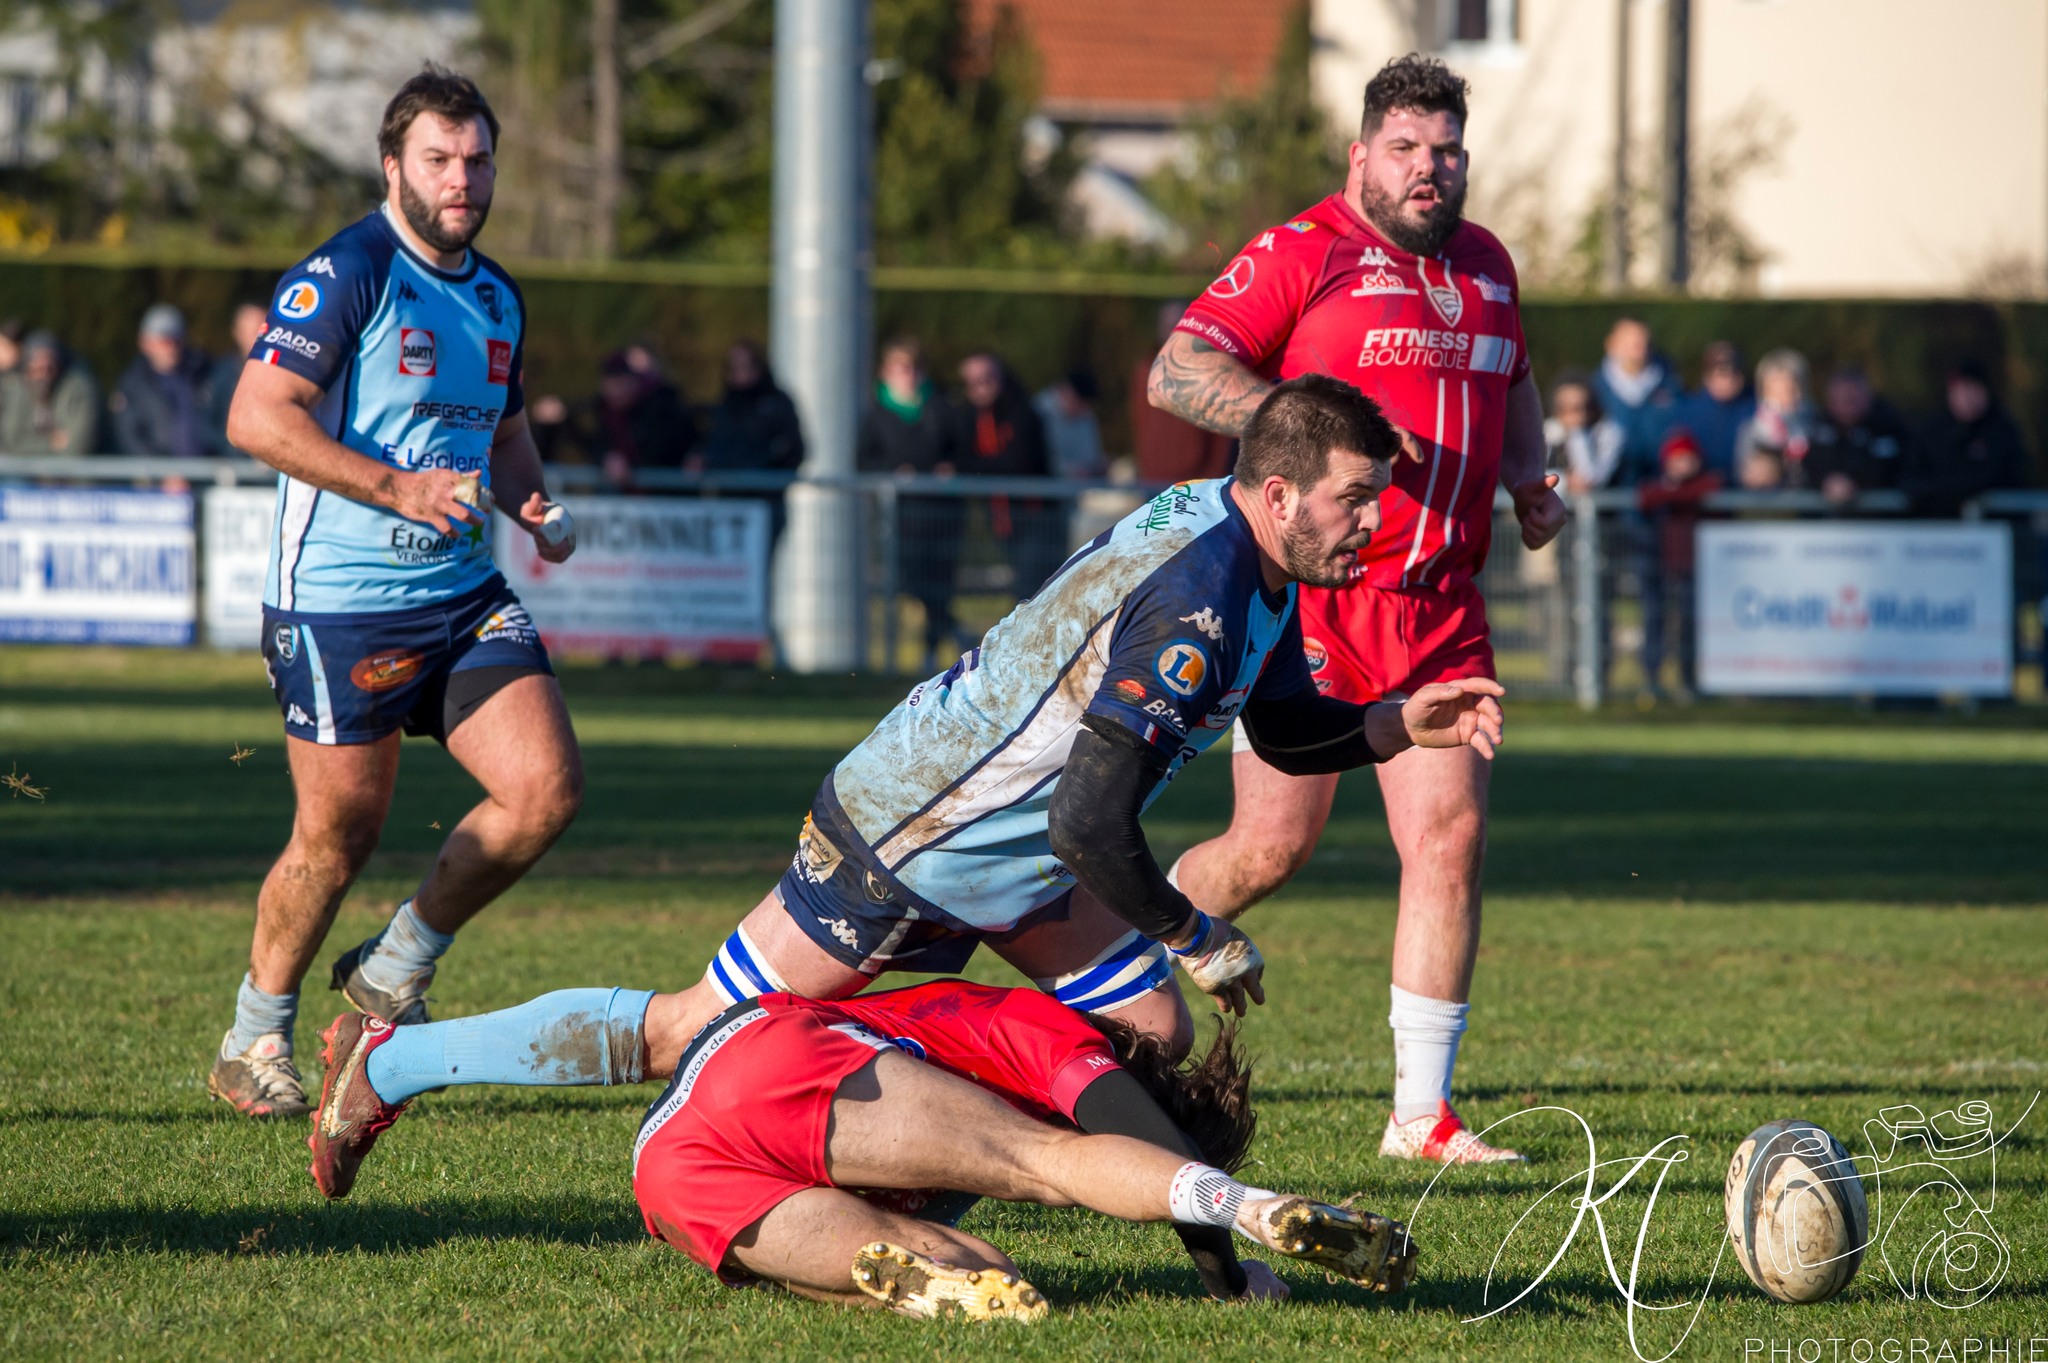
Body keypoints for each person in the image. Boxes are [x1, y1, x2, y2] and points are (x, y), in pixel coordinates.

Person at [283, 378, 1507, 1185]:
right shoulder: (1197, 595)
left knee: (1146, 1032)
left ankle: (1055, 1179)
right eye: (1357, 501)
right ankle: (384, 1061)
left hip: (1010, 853)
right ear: (1281, 491)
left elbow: (1285, 726)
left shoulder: (1254, 553)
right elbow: (1091, 821)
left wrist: (1395, 722)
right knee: (686, 1033)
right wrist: (1194, 927)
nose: (1371, 526)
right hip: (908, 832)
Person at [1143, 54, 1563, 1164]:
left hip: (1440, 610)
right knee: (1269, 850)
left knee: (1449, 838)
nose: (1430, 171)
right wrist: (1299, 421)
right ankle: (1129, 922)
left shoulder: (1486, 264)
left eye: (1446, 152)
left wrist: (1527, 479)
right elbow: (1179, 369)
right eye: (1407, 150)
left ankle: (1418, 1116)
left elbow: (1509, 376)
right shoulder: (1307, 250)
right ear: (1360, 156)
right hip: (1322, 605)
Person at [207, 63, 582, 1119]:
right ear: (393, 167)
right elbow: (257, 416)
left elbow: (502, 434)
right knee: (337, 838)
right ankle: (253, 1037)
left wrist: (537, 509)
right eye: (438, 159)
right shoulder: (347, 271)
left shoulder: (499, 293)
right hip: (341, 604)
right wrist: (394, 487)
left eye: (476, 159)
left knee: (544, 790)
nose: (460, 178)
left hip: (462, 591)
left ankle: (394, 966)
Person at [309, 978, 1418, 1314]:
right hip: (779, 1057)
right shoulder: (1060, 1040)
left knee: (986, 1276)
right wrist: (1231, 1249)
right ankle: (1250, 1200)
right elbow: (1109, 1136)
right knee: (1047, 1164)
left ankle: (924, 1285)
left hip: (673, 1165)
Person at [859, 338, 966, 669]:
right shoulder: (876, 415)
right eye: (901, 368)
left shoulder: (941, 408)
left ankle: (932, 649)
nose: (909, 375)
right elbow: (865, 460)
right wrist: (893, 474)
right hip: (901, 515)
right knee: (911, 580)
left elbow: (960, 450)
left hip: (941, 513)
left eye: (914, 367)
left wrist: (950, 468)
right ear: (886, 372)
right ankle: (957, 632)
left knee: (940, 582)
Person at [957, 351, 1064, 597]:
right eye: (972, 383)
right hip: (1001, 516)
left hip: (1034, 514)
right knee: (1023, 583)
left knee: (1033, 586)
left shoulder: (1022, 413)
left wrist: (980, 467)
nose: (981, 388)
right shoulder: (970, 417)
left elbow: (1018, 462)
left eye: (987, 379)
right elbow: (963, 458)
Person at [1635, 429, 1722, 699]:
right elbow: (1645, 497)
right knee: (1655, 622)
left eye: (1688, 458)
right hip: (1660, 567)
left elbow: (1709, 488)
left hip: (1695, 569)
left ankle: (1689, 681)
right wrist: (1674, 492)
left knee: (1690, 627)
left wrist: (1673, 491)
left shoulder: (1705, 483)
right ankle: (1652, 679)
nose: (1682, 465)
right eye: (1677, 459)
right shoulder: (1658, 486)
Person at [695, 338, 804, 539]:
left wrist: (763, 473)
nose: (737, 372)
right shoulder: (726, 404)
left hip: (765, 505)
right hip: (727, 505)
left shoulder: (777, 403)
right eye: (731, 367)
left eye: (744, 365)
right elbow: (712, 443)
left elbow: (795, 450)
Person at [1903, 359, 2032, 517]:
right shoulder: (1932, 430)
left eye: (1971, 389)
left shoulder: (2003, 431)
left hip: (1994, 530)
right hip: (1940, 530)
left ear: (1985, 390)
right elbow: (1910, 477)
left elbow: (2004, 478)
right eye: (1958, 390)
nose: (1965, 397)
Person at [1132, 300, 1237, 485]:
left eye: (1176, 325)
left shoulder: (1211, 372)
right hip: (1152, 484)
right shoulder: (1145, 370)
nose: (1171, 331)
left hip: (1195, 487)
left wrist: (1210, 481)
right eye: (1166, 325)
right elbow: (1140, 423)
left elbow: (1221, 435)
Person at [111, 304, 217, 458]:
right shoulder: (132, 385)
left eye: (176, 340)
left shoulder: (205, 373)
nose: (170, 348)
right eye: (164, 341)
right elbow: (129, 437)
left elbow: (219, 424)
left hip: (207, 471)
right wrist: (162, 472)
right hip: (157, 476)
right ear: (145, 342)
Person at [1804, 364, 1912, 509]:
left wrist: (1856, 482)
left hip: (1883, 523)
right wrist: (1826, 480)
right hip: (1827, 525)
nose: (1847, 406)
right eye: (1841, 400)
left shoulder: (1889, 425)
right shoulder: (1818, 425)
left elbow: (1892, 469)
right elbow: (1809, 464)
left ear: (1867, 396)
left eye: (1852, 399)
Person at [1591, 317, 1682, 487]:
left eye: (1642, 341)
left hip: (1659, 491)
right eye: (1629, 341)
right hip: (1608, 492)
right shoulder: (1593, 390)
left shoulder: (1671, 385)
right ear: (1611, 344)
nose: (1637, 347)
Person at [591, 347, 695, 485]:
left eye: (620, 385)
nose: (615, 392)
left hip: (663, 493)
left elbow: (670, 448)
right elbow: (595, 442)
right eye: (611, 386)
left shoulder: (662, 404)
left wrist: (630, 463)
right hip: (626, 494)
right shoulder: (604, 410)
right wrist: (607, 457)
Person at [0, 331, 103, 456]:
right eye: (37, 368)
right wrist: (49, 442)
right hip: (24, 470)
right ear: (27, 369)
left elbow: (78, 445)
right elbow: (13, 442)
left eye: (50, 368)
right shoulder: (15, 388)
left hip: (71, 471)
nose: (44, 375)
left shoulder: (77, 388)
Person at [1670, 341, 1753, 482]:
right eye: (1721, 373)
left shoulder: (1756, 408)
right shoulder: (1686, 411)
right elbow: (1671, 454)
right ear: (1707, 377)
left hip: (1748, 496)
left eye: (1734, 372)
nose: (1728, 380)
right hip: (1700, 495)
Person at [1734, 348, 1816, 492]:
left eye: (1791, 390)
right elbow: (1741, 475)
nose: (1786, 398)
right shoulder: (1752, 430)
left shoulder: (1816, 424)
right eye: (1778, 392)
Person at [1544, 372, 1624, 492]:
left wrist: (1577, 435)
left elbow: (1593, 477)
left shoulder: (1608, 432)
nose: (1579, 416)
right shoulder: (1546, 432)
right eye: (1570, 409)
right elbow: (1535, 477)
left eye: (1585, 407)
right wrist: (1566, 482)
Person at [211, 302, 270, 455]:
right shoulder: (222, 375)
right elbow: (209, 424)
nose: (259, 336)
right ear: (238, 333)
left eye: (262, 329)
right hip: (233, 470)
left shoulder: (281, 373)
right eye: (252, 331)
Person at [1035, 366, 1106, 481]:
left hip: (1080, 491)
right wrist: (1072, 470)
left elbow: (1091, 457)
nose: (1085, 410)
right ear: (1067, 392)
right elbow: (1040, 461)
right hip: (1047, 490)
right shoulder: (1040, 412)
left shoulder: (1086, 417)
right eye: (1081, 403)